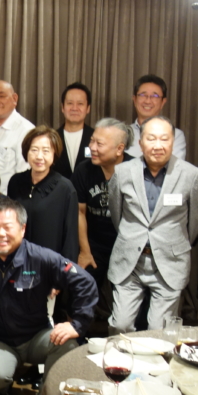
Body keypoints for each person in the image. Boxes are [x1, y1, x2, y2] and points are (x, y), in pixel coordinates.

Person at [0, 198, 98, 395]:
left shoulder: (41, 257)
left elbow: (85, 282)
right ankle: (2, 389)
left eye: (8, 227)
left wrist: (77, 324)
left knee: (67, 344)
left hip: (37, 337)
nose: (1, 233)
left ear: (22, 229)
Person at [108, 116, 198, 333]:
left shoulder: (191, 175)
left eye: (164, 139)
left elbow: (196, 222)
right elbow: (117, 214)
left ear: (173, 141)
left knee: (158, 331)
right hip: (130, 261)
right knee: (120, 325)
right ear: (140, 143)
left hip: (169, 262)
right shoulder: (122, 172)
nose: (158, 145)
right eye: (151, 139)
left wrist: (174, 242)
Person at [72, 118, 133, 333]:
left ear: (119, 149)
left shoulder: (135, 170)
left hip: (126, 244)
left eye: (99, 144)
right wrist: (85, 251)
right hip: (94, 243)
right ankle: (77, 338)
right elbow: (79, 212)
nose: (92, 148)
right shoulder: (84, 170)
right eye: (92, 141)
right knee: (80, 287)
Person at [7, 125, 79, 262]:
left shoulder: (65, 188)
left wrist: (66, 270)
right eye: (34, 150)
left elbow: (71, 238)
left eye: (46, 151)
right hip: (17, 261)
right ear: (26, 152)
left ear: (54, 154)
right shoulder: (15, 182)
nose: (39, 156)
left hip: (50, 263)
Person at [126, 75, 187, 162]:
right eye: (143, 95)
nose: (148, 101)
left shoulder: (175, 135)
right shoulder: (122, 133)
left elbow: (174, 167)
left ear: (163, 102)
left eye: (154, 96)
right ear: (134, 99)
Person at [52, 82, 95, 179]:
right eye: (70, 103)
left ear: (88, 108)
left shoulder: (97, 138)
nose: (74, 108)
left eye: (80, 104)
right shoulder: (51, 138)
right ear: (62, 107)